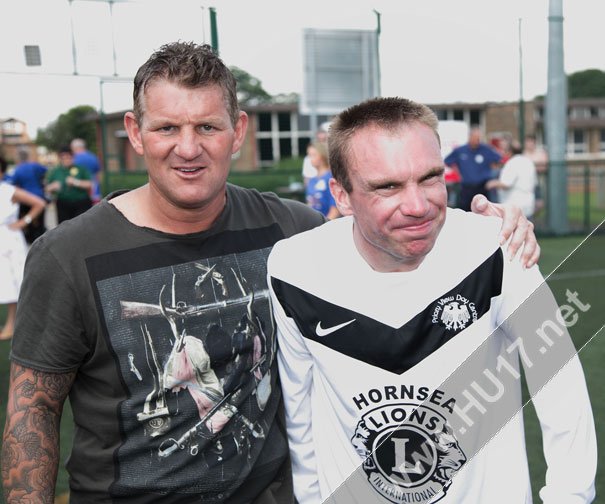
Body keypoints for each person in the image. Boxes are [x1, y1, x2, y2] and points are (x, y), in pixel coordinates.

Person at [1, 43, 540, 504]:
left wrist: (492, 227)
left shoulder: (292, 231)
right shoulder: (67, 254)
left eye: (207, 127)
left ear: (237, 131)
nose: (188, 148)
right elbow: (33, 411)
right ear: (135, 133)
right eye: (166, 127)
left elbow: (392, 226)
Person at [267, 98, 596, 504]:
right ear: (342, 195)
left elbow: (558, 382)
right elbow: (300, 413)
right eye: (387, 186)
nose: (418, 206)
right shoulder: (294, 268)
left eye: (430, 177)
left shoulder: (497, 245)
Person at [0, 155, 46, 339]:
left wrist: (23, 222)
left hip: (8, 239)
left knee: (12, 281)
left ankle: (12, 324)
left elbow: (39, 203)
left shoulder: (8, 190)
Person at [444, 126, 502, 211]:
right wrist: (457, 171)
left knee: (483, 211)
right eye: (476, 138)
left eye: (479, 138)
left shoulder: (486, 149)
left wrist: (490, 169)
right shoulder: (461, 150)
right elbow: (447, 161)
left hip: (482, 187)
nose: (477, 141)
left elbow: (499, 159)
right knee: (465, 211)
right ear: (470, 137)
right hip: (466, 188)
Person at [486, 141, 537, 218]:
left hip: (514, 204)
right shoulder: (528, 161)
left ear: (510, 152)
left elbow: (506, 183)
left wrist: (493, 183)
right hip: (528, 204)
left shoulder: (512, 163)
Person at [45, 145, 93, 223]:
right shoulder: (55, 171)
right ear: (60, 158)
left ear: (73, 157)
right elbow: (47, 188)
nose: (67, 160)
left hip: (81, 202)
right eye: (64, 158)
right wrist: (52, 186)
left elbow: (89, 184)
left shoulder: (80, 169)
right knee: (64, 226)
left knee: (82, 225)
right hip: (63, 204)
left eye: (69, 158)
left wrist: (76, 182)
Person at [10, 150, 48, 243]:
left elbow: (13, 184)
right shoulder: (35, 165)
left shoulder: (17, 170)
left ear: (18, 158)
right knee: (40, 221)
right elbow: (45, 171)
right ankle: (42, 239)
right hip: (39, 196)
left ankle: (30, 239)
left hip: (26, 199)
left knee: (28, 219)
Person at [305, 141, 339, 219]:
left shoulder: (331, 178)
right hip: (314, 222)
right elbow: (310, 204)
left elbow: (335, 208)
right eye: (309, 155)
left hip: (328, 222)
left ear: (322, 156)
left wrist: (326, 224)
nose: (310, 159)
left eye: (313, 155)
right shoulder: (311, 180)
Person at [71, 138, 102, 204]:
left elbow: (73, 175)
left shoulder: (74, 159)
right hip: (94, 191)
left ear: (75, 148)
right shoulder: (93, 157)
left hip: (80, 193)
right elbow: (98, 175)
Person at [301, 122, 330, 186]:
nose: (322, 143)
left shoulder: (336, 157)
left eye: (324, 140)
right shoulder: (308, 159)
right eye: (320, 140)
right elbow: (307, 181)